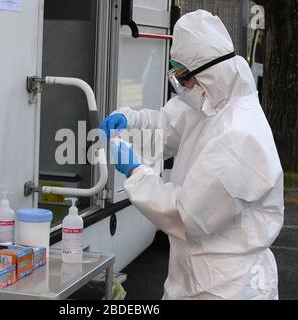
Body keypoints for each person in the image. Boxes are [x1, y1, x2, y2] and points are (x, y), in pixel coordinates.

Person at [100, 10, 284, 300]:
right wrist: (132, 121)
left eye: (184, 77)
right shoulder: (212, 102)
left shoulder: (238, 135)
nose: (182, 87)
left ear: (207, 73)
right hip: (195, 274)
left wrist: (137, 172)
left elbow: (185, 214)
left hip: (227, 286)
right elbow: (171, 126)